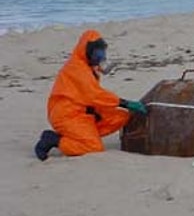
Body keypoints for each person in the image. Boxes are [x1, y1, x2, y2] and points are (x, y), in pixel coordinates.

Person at [34, 29, 148, 161]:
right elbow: (94, 95)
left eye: (101, 51)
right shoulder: (77, 69)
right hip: (68, 114)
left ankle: (80, 135)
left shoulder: (87, 65)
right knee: (93, 147)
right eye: (97, 52)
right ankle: (54, 140)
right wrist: (125, 103)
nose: (100, 55)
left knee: (121, 116)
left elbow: (100, 71)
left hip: (86, 110)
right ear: (87, 51)